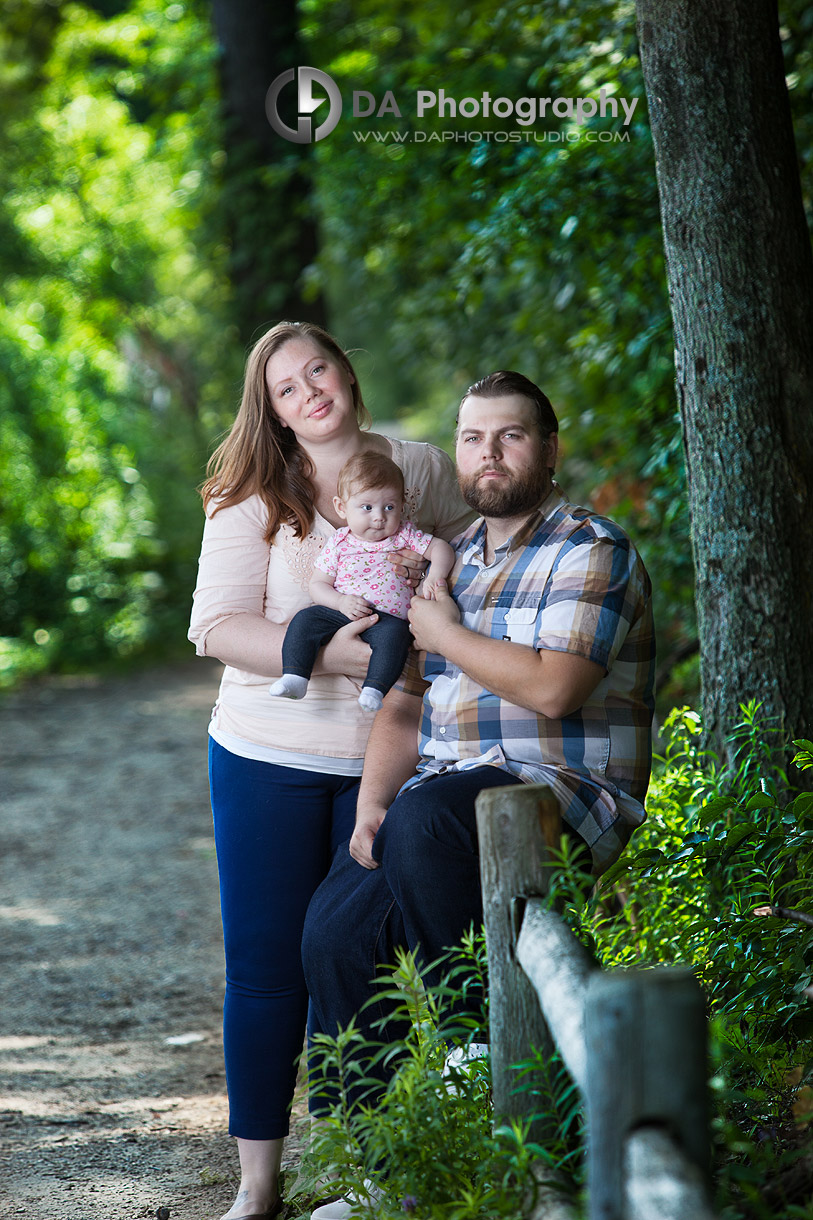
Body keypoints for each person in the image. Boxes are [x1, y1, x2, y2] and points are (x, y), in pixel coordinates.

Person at [301, 370, 656, 1220]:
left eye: (509, 435)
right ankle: (381, 1168)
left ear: (548, 449)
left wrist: (449, 633)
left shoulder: (589, 547)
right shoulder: (452, 562)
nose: (487, 453)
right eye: (471, 437)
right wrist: (370, 807)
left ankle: (475, 1062)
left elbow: (557, 689)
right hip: (442, 800)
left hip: (563, 795)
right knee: (333, 924)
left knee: (429, 822)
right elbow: (407, 702)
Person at [187, 321, 473, 1220]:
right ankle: (257, 1186)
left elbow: (483, 550)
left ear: (348, 373)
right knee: (268, 968)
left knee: (350, 955)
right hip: (261, 756)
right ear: (270, 411)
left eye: (320, 370)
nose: (310, 391)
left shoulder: (418, 468)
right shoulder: (252, 495)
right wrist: (341, 658)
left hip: (377, 759)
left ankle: (361, 1171)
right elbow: (216, 627)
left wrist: (447, 624)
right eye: (286, 387)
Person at [269, 450, 454, 712]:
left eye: (389, 507)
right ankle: (295, 676)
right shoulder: (340, 542)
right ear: (341, 507)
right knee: (305, 620)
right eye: (367, 507)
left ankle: (374, 689)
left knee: (396, 638)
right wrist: (340, 601)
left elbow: (442, 549)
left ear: (402, 506)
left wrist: (434, 576)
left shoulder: (404, 535)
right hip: (343, 611)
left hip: (387, 619)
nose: (379, 517)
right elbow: (317, 585)